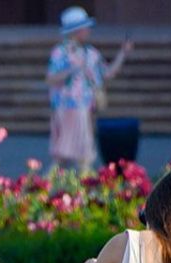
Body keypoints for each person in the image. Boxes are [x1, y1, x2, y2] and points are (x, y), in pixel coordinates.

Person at [45, 6, 132, 171]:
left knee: (72, 158)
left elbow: (106, 72)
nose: (88, 30)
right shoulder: (61, 53)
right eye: (85, 27)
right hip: (67, 108)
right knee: (72, 156)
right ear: (76, 30)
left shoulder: (90, 53)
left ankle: (44, 188)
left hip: (84, 108)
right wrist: (72, 69)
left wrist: (123, 53)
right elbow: (51, 78)